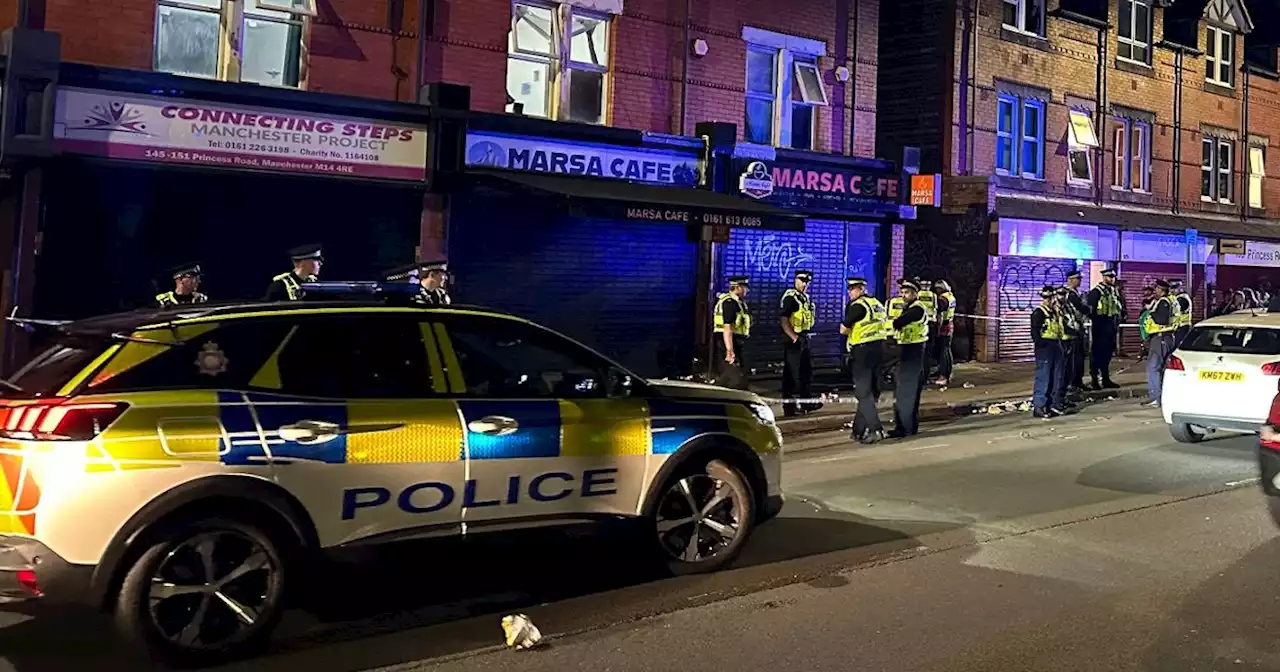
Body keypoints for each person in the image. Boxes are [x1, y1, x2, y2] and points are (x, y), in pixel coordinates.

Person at [839, 277, 888, 444]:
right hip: (880, 349)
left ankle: (876, 429)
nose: (849, 293)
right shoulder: (877, 304)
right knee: (871, 392)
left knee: (863, 392)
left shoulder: (857, 306)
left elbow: (843, 329)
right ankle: (858, 431)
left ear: (860, 289)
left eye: (851, 289)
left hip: (863, 352)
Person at [890, 279, 929, 437]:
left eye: (907, 292)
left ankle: (906, 428)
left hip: (914, 352)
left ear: (915, 294)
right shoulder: (909, 307)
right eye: (902, 292)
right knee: (902, 392)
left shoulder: (917, 309)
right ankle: (903, 427)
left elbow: (899, 323)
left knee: (908, 392)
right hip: (906, 350)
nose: (903, 295)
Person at [780, 269, 819, 417]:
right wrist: (794, 337)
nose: (805, 285)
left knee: (805, 373)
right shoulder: (791, 298)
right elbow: (784, 320)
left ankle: (806, 403)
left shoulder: (805, 298)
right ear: (796, 280)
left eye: (807, 282)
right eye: (802, 281)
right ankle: (789, 407)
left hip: (804, 337)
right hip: (793, 340)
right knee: (791, 374)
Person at [1030, 285, 1068, 418]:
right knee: (1044, 376)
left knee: (1055, 376)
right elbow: (1035, 331)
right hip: (1045, 346)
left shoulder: (1055, 311)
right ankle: (1039, 406)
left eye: (1050, 297)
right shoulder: (1039, 312)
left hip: (1056, 344)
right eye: (1046, 297)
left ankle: (1050, 405)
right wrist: (1041, 344)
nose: (1048, 300)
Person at [1086, 267, 1122, 390]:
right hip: (1100, 326)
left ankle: (1106, 379)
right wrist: (1097, 321)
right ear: (1104, 277)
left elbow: (1118, 307)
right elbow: (1090, 310)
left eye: (1113, 277)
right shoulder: (1096, 292)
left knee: (1107, 354)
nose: (1112, 279)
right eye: (1110, 277)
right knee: (1097, 354)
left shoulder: (1114, 291)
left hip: (1111, 326)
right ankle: (1094, 380)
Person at [713, 276, 752, 390]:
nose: (747, 291)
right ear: (737, 288)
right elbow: (727, 327)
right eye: (745, 288)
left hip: (737, 340)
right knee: (735, 374)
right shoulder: (729, 303)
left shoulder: (739, 302)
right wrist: (730, 350)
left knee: (733, 373)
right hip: (728, 340)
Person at [1143, 280, 1177, 407]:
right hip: (1168, 336)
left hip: (1161, 337)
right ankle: (1162, 396)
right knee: (1162, 368)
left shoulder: (1164, 302)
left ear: (1161, 290)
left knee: (1153, 368)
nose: (1155, 291)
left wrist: (1151, 314)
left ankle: (1155, 397)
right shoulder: (1172, 300)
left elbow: (1162, 319)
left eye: (1156, 289)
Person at [1063, 270, 1089, 392]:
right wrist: (1087, 306)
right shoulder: (1069, 294)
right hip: (1071, 330)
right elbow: (1082, 308)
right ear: (1070, 280)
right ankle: (1072, 383)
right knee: (1073, 358)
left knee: (1079, 357)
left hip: (1078, 328)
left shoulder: (1075, 293)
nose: (1080, 281)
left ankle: (1078, 381)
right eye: (1077, 279)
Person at [932, 279, 956, 386]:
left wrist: (937, 327)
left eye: (937, 289)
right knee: (946, 350)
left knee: (943, 352)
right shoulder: (950, 296)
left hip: (944, 326)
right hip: (949, 324)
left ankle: (943, 375)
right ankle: (947, 373)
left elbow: (939, 313)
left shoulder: (943, 299)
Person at [1170, 278, 1192, 346]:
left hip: (1183, 327)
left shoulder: (1182, 298)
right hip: (1179, 327)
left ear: (1180, 287)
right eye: (1171, 288)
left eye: (1174, 288)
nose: (1172, 290)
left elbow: (1173, 310)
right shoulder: (1177, 298)